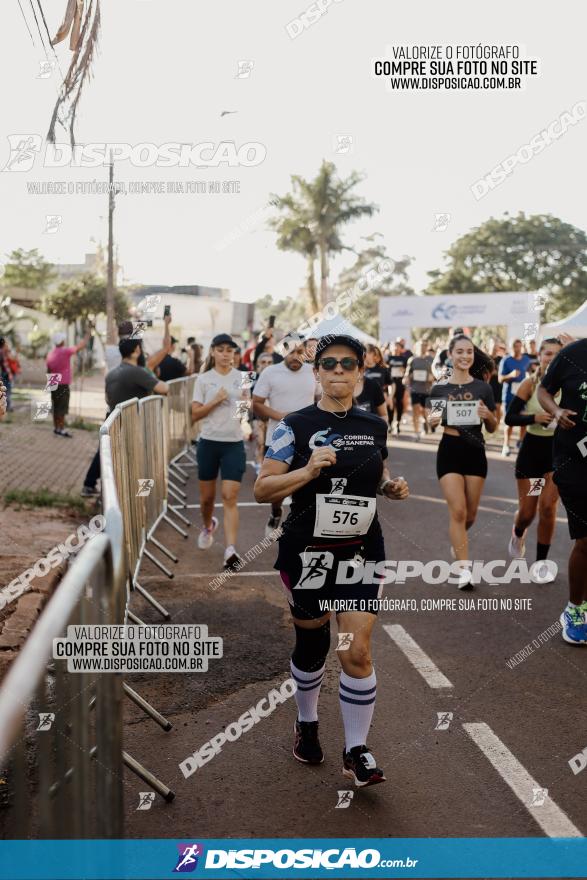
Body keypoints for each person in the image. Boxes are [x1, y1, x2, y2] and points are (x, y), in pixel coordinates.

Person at [254, 334, 409, 787]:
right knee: (313, 646)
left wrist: (388, 487)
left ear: (362, 373)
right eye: (329, 364)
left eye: (348, 364)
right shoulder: (294, 426)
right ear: (317, 372)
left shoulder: (375, 425)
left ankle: (356, 750)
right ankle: (306, 721)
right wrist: (306, 471)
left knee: (356, 650)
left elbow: (375, 473)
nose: (338, 371)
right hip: (306, 554)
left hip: (361, 551)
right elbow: (263, 489)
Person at [427, 335, 497, 588]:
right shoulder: (440, 387)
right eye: (460, 352)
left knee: (470, 514)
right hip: (450, 448)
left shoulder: (483, 388)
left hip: (475, 450)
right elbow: (431, 420)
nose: (465, 356)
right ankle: (464, 571)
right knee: (457, 510)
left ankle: (458, 543)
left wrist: (487, 414)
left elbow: (492, 425)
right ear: (451, 355)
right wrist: (433, 419)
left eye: (469, 352)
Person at [537, 337, 587, 644]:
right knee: (586, 538)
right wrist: (556, 411)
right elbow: (544, 390)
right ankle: (574, 609)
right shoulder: (573, 354)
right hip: (573, 460)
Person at [81, 338, 168, 496]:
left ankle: (91, 484)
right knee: (129, 458)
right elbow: (163, 388)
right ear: (136, 350)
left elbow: (107, 398)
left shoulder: (112, 372)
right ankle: (130, 492)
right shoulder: (136, 372)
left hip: (112, 417)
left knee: (105, 452)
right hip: (129, 422)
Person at [505, 338, 562, 576]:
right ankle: (518, 533)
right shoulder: (530, 384)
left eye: (556, 354)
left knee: (548, 507)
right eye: (547, 353)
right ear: (539, 355)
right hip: (532, 453)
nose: (551, 358)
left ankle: (541, 564)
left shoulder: (570, 386)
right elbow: (509, 418)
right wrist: (534, 419)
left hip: (558, 453)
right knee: (528, 513)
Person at [191, 334, 248, 571]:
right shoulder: (203, 380)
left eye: (230, 350)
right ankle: (207, 526)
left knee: (229, 496)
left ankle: (230, 550)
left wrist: (243, 407)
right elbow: (195, 415)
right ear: (213, 352)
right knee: (206, 499)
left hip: (233, 444)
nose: (226, 354)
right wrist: (215, 401)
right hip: (209, 443)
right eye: (221, 350)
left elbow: (243, 413)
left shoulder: (243, 378)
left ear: (234, 353)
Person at [252, 337, 317, 535]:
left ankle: (304, 527)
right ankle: (276, 511)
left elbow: (322, 398)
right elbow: (257, 403)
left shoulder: (313, 371)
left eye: (299, 352)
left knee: (308, 483)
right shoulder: (270, 372)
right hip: (278, 438)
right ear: (283, 352)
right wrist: (283, 417)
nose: (296, 357)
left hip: (309, 438)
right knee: (275, 488)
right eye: (291, 352)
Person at [46, 328, 92, 437]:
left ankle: (56, 428)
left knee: (56, 406)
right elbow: (80, 347)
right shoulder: (65, 351)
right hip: (62, 384)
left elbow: (48, 369)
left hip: (53, 382)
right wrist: (88, 335)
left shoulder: (50, 354)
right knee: (62, 407)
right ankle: (61, 429)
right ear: (61, 341)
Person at [499, 339, 531, 457]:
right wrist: (510, 375)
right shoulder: (506, 360)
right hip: (509, 395)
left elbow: (531, 374)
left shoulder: (526, 360)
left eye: (519, 346)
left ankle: (521, 441)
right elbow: (500, 379)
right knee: (509, 421)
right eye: (515, 346)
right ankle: (506, 445)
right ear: (511, 347)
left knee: (524, 419)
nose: (517, 348)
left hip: (523, 395)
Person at [404, 339, 434, 439]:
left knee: (426, 412)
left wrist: (432, 377)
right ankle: (416, 432)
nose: (422, 347)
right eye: (420, 346)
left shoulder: (431, 359)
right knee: (416, 410)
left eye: (424, 346)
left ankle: (425, 421)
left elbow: (436, 374)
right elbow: (407, 376)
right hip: (415, 389)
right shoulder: (412, 360)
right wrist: (409, 378)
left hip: (427, 390)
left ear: (426, 347)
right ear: (417, 347)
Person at [251, 352, 274, 474]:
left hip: (273, 417)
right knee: (260, 442)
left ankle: (267, 468)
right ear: (257, 364)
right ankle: (259, 467)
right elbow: (242, 397)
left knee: (270, 445)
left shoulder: (277, 377)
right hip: (256, 417)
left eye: (270, 362)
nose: (266, 365)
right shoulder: (249, 376)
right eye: (263, 362)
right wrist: (240, 421)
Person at [386, 340, 409, 435]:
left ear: (401, 348)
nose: (396, 348)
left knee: (399, 403)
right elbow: (385, 369)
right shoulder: (388, 358)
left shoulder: (404, 359)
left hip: (400, 383)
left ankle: (398, 423)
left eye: (397, 346)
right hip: (390, 383)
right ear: (391, 348)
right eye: (394, 346)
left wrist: (403, 370)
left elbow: (407, 370)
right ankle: (390, 423)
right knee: (390, 403)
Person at [488, 340, 507, 427]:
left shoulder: (500, 359)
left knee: (498, 406)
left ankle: (497, 425)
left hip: (498, 385)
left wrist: (496, 372)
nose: (494, 348)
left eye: (496, 346)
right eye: (493, 346)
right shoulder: (486, 358)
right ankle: (490, 424)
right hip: (488, 385)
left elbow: (502, 372)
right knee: (489, 406)